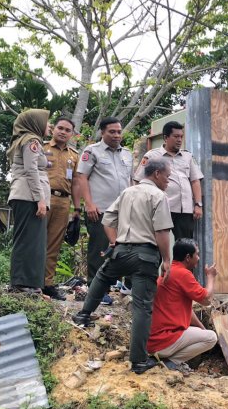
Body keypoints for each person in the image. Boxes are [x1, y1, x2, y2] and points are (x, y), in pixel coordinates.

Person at [72, 158, 173, 374]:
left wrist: (114, 241)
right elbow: (162, 232)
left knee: (102, 277)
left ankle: (83, 315)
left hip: (122, 251)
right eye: (167, 176)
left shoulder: (128, 192)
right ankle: (138, 361)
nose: (168, 180)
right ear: (156, 174)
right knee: (142, 307)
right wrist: (166, 259)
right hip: (145, 255)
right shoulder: (158, 196)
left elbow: (107, 219)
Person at [73, 117, 133, 280]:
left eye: (119, 132)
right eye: (112, 132)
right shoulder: (91, 151)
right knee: (99, 249)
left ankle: (118, 285)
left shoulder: (127, 154)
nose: (116, 135)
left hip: (124, 211)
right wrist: (89, 204)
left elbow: (131, 181)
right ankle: (96, 287)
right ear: (102, 132)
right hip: (100, 210)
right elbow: (82, 178)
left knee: (123, 248)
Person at [147, 238, 217, 372]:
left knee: (204, 333)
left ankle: (164, 359)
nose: (199, 258)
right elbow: (206, 299)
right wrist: (211, 277)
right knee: (211, 338)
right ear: (187, 257)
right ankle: (171, 362)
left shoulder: (171, 271)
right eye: (197, 254)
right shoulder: (183, 274)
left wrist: (202, 328)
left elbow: (188, 311)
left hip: (155, 339)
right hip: (163, 341)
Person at [134, 121, 203, 240]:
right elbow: (138, 180)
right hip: (161, 207)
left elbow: (195, 181)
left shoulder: (187, 156)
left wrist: (198, 204)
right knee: (157, 242)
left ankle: (179, 260)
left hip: (184, 210)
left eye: (181, 136)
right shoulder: (152, 155)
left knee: (185, 245)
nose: (179, 140)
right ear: (166, 137)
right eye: (176, 136)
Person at [7, 108, 51, 294]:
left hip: (26, 195)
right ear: (36, 123)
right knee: (28, 240)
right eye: (47, 122)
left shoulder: (26, 140)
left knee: (32, 240)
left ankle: (28, 282)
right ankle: (21, 282)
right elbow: (31, 170)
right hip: (28, 196)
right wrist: (40, 199)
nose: (49, 126)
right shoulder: (31, 141)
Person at [43, 117, 80, 299]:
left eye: (67, 130)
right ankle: (30, 281)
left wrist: (77, 209)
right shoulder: (42, 148)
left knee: (54, 244)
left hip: (64, 202)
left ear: (72, 134)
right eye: (60, 128)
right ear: (53, 129)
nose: (63, 132)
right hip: (43, 199)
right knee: (36, 241)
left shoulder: (74, 155)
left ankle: (47, 283)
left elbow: (76, 184)